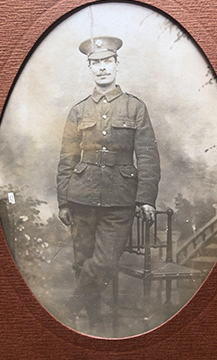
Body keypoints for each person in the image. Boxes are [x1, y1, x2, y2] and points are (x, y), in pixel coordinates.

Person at [57, 36, 160, 334]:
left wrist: (146, 199)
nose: (102, 68)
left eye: (107, 62)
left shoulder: (135, 108)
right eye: (95, 63)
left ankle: (71, 307)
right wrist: (63, 200)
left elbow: (148, 156)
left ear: (117, 64)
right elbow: (66, 158)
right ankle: (93, 325)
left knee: (103, 263)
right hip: (80, 196)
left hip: (120, 198)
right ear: (89, 68)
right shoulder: (78, 111)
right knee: (82, 261)